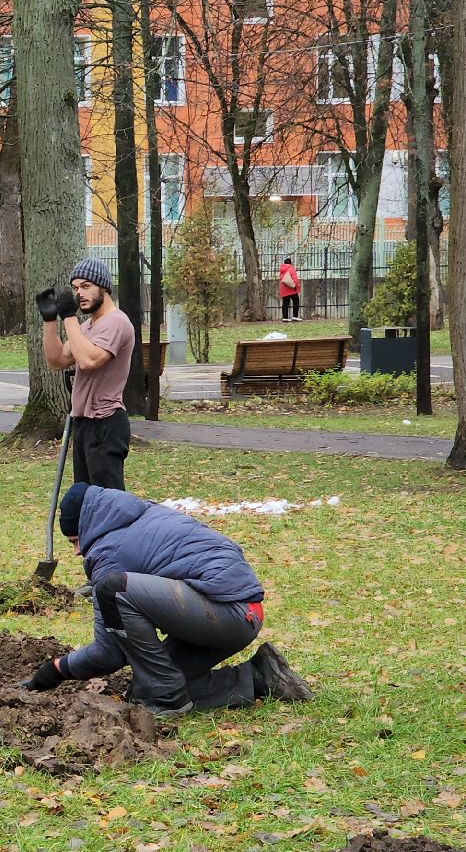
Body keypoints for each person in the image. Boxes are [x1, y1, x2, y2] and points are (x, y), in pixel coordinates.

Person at [21, 483, 313, 717]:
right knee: (144, 691)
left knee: (114, 590)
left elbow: (109, 653)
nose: (76, 552)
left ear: (87, 527)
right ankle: (259, 677)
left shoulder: (109, 552)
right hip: (242, 612)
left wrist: (58, 668)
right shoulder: (146, 515)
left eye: (74, 541)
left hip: (227, 614)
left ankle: (168, 701)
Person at [37, 257, 135, 491]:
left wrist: (69, 317)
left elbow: (90, 360)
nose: (79, 293)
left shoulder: (116, 323)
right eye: (75, 287)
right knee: (85, 501)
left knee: (107, 503)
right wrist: (50, 321)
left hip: (106, 423)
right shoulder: (88, 327)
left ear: (104, 287)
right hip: (83, 423)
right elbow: (57, 360)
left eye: (86, 286)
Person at [278, 256, 302, 322]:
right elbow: (295, 279)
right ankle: (295, 316)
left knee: (285, 302)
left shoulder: (281, 270)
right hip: (291, 289)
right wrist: (297, 287)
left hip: (283, 289)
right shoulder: (291, 268)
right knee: (296, 301)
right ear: (290, 263)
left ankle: (285, 317)